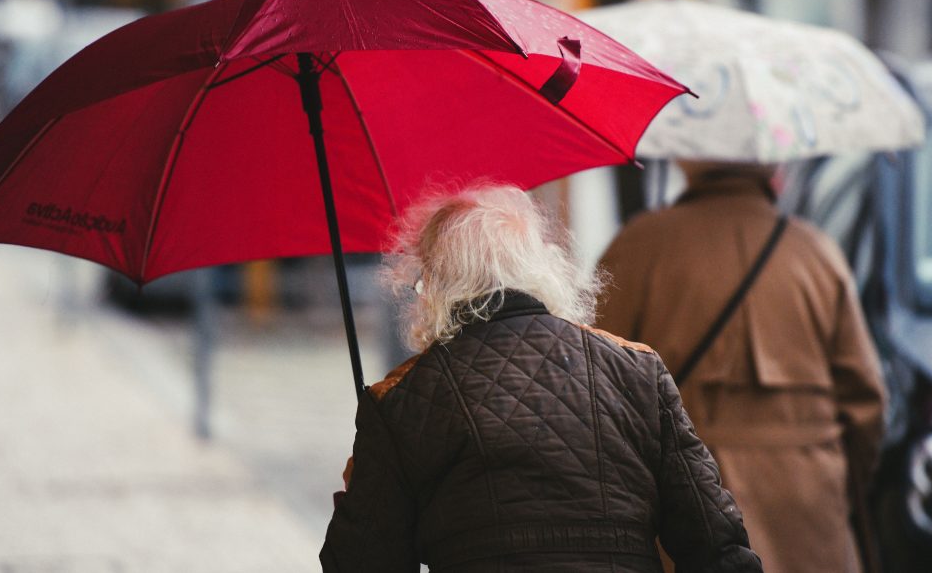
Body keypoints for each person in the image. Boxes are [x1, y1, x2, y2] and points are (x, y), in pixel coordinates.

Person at [321, 184, 762, 573]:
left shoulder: (402, 400)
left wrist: (355, 503)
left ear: (438, 286)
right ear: (539, 265)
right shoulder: (637, 370)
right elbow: (716, 544)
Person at [596, 161, 887, 573]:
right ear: (769, 159)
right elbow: (866, 404)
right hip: (809, 506)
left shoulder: (639, 245)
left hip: (689, 507)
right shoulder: (817, 252)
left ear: (688, 158)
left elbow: (594, 382)